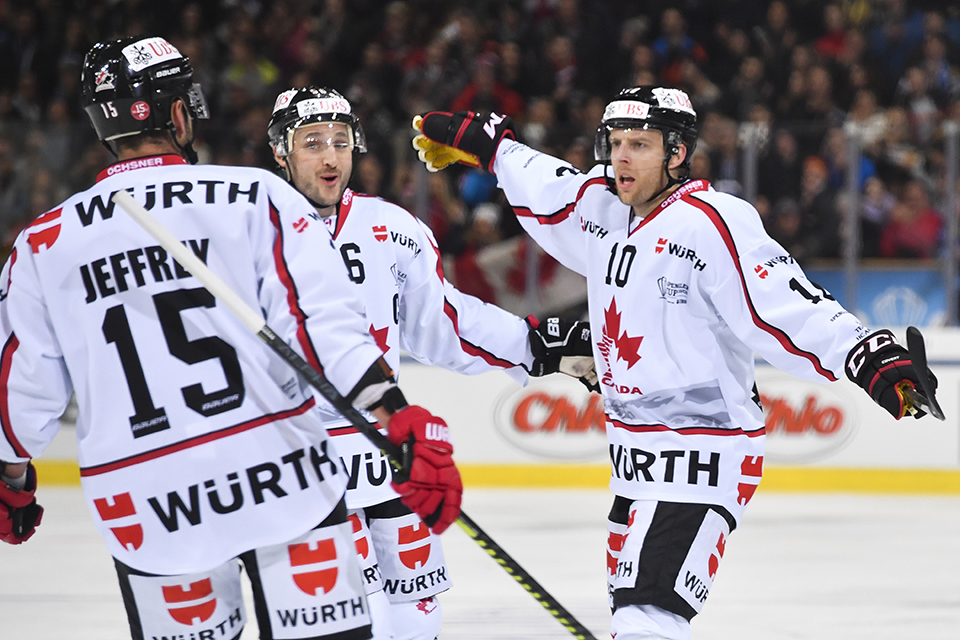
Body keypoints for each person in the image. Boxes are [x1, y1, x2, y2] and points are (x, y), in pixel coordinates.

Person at [411, 87, 939, 640]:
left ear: (677, 153)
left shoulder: (712, 222)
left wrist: (865, 353)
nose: (621, 157)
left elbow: (782, 303)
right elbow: (551, 189)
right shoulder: (607, 208)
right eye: (614, 143)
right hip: (635, 462)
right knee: (633, 620)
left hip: (701, 456)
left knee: (648, 620)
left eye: (639, 144)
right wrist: (496, 150)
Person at [0, 36, 461, 640]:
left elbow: (20, 396)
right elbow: (327, 326)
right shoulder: (255, 195)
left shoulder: (43, 243)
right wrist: (394, 411)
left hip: (149, 506)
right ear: (178, 113)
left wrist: (10, 480)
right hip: (281, 479)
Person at [265, 85, 596, 640]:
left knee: (417, 611)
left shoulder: (390, 228)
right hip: (303, 464)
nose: (329, 157)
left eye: (341, 142)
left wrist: (536, 345)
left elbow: (442, 325)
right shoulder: (252, 229)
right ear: (281, 151)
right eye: (312, 142)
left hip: (390, 451)